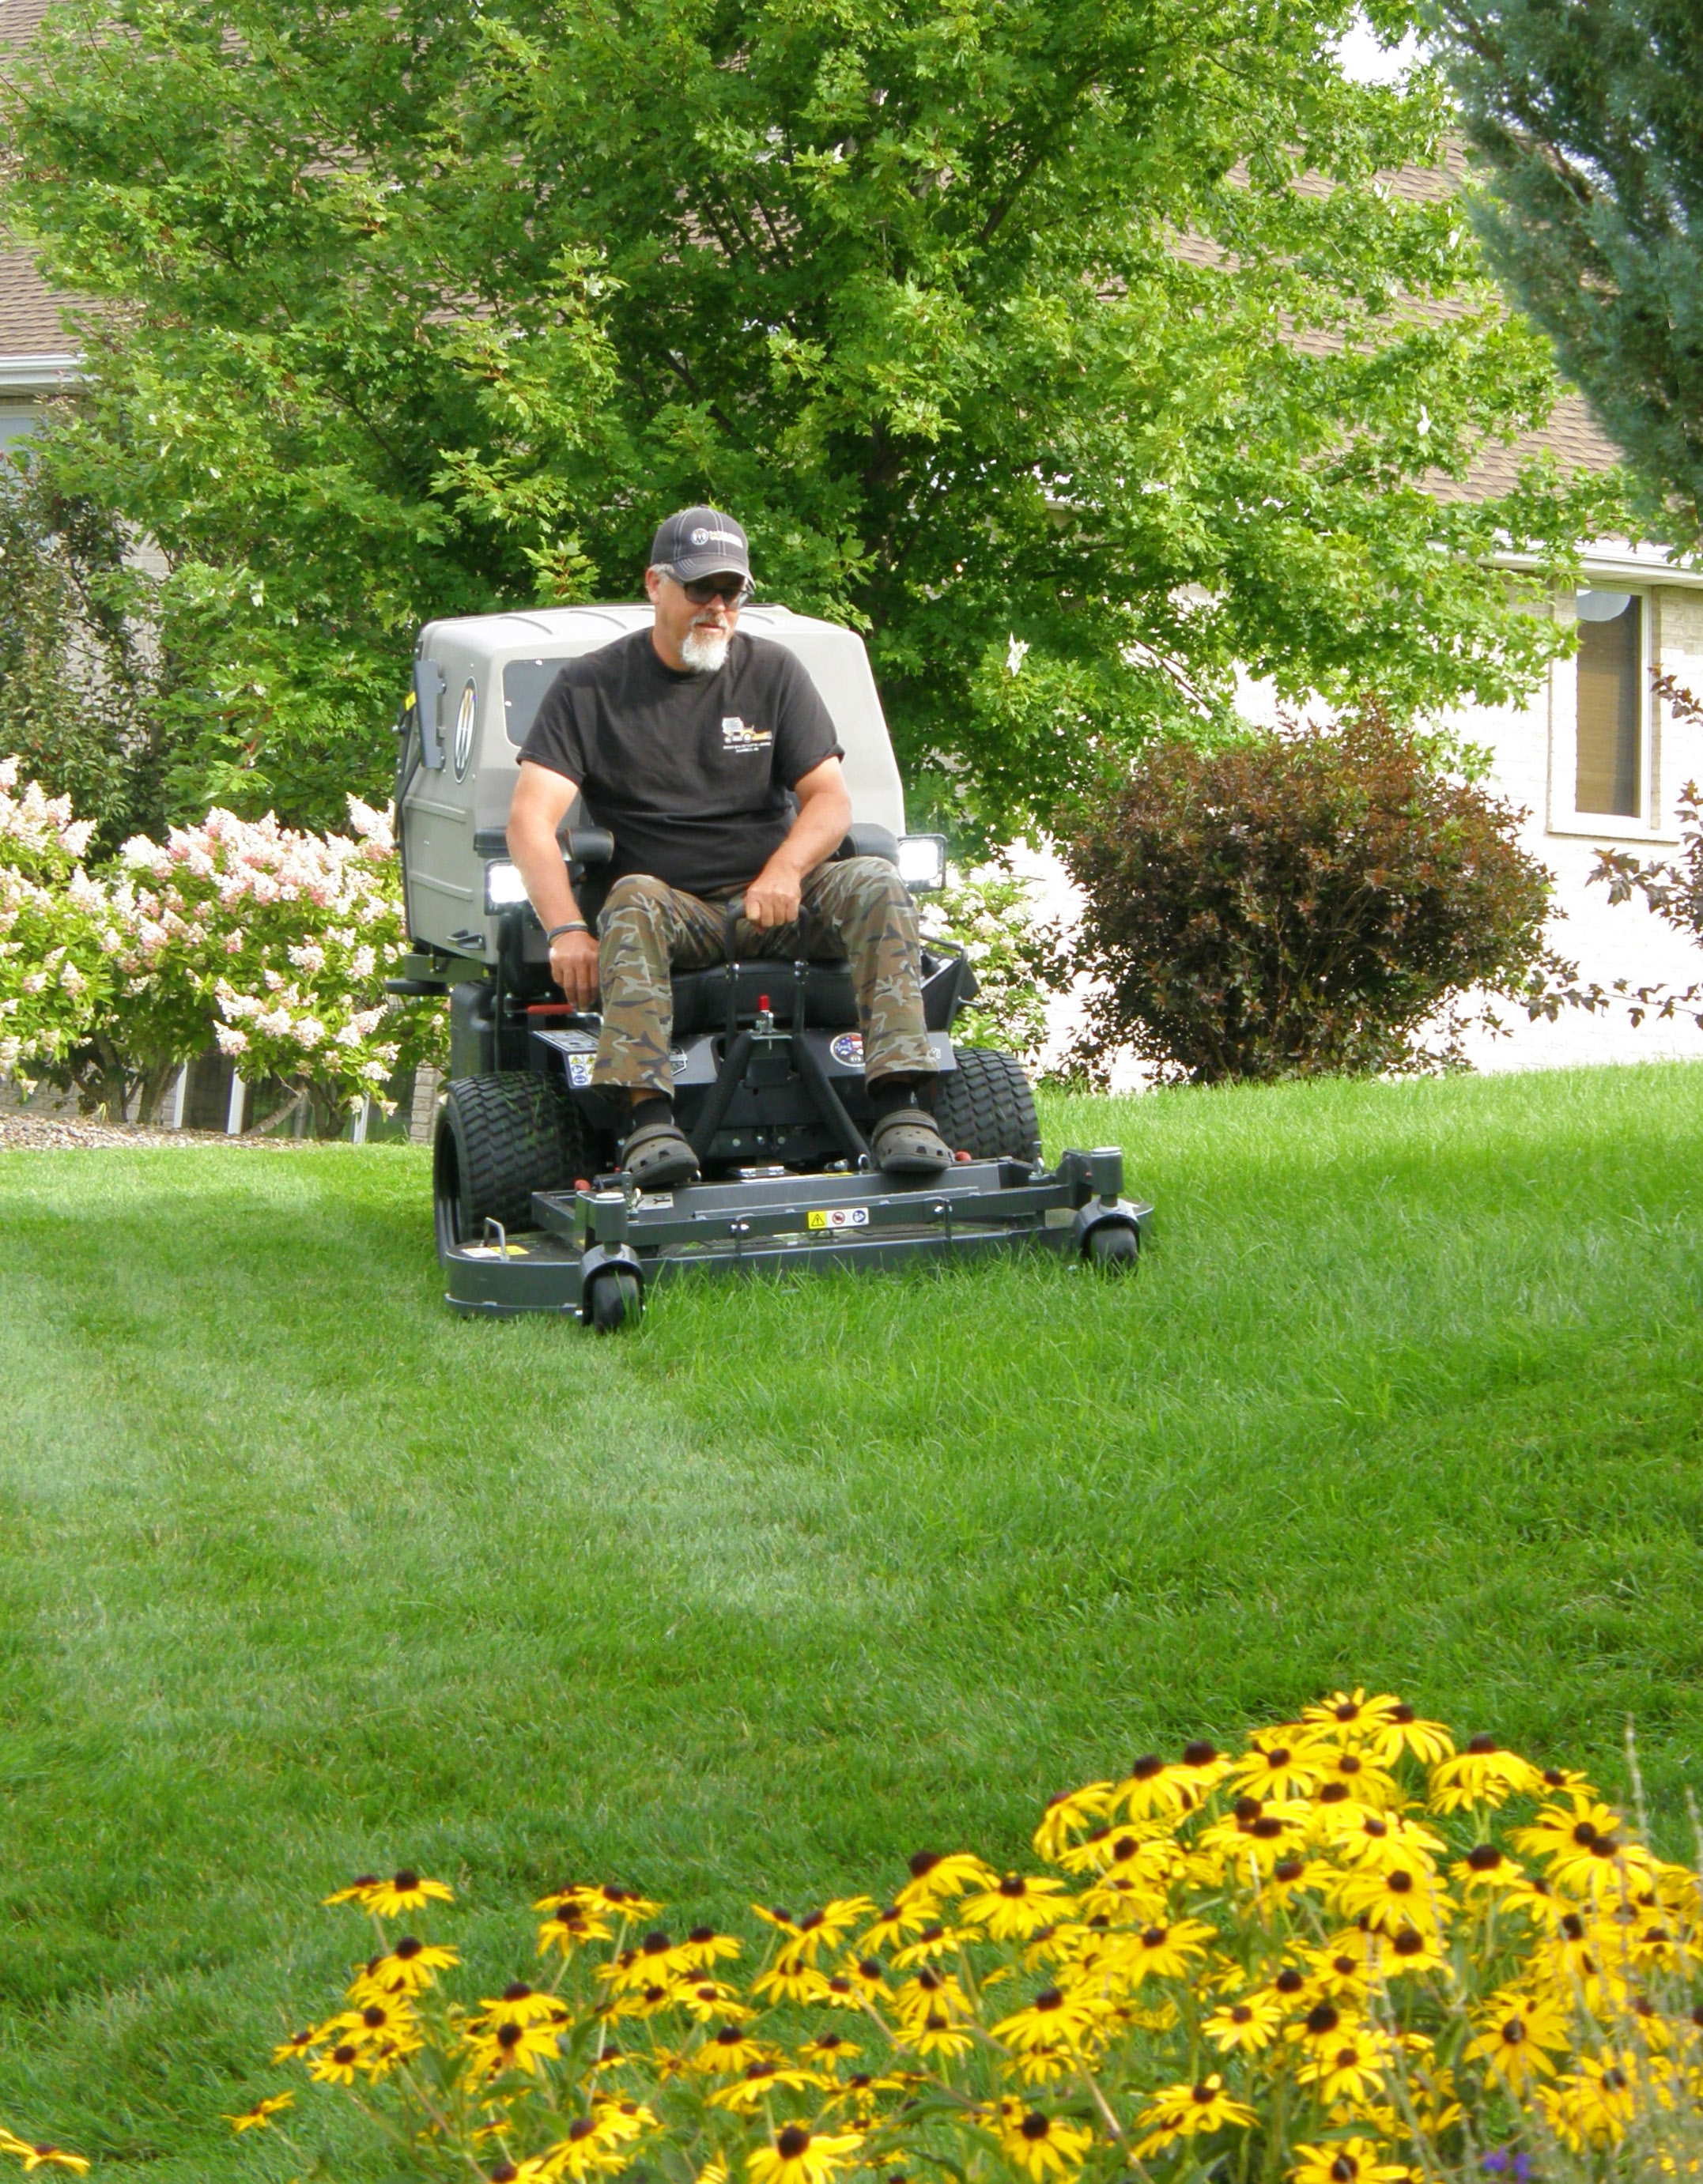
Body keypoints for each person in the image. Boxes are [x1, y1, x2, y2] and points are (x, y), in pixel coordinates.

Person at [506, 505, 950, 1189]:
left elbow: (829, 799)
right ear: (655, 585)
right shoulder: (591, 688)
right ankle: (650, 1122)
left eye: (731, 591)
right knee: (629, 897)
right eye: (699, 589)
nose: (717, 606)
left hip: (775, 902)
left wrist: (786, 868)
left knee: (874, 880)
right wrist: (566, 928)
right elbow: (530, 821)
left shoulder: (773, 673)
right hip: (674, 911)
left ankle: (898, 1105)